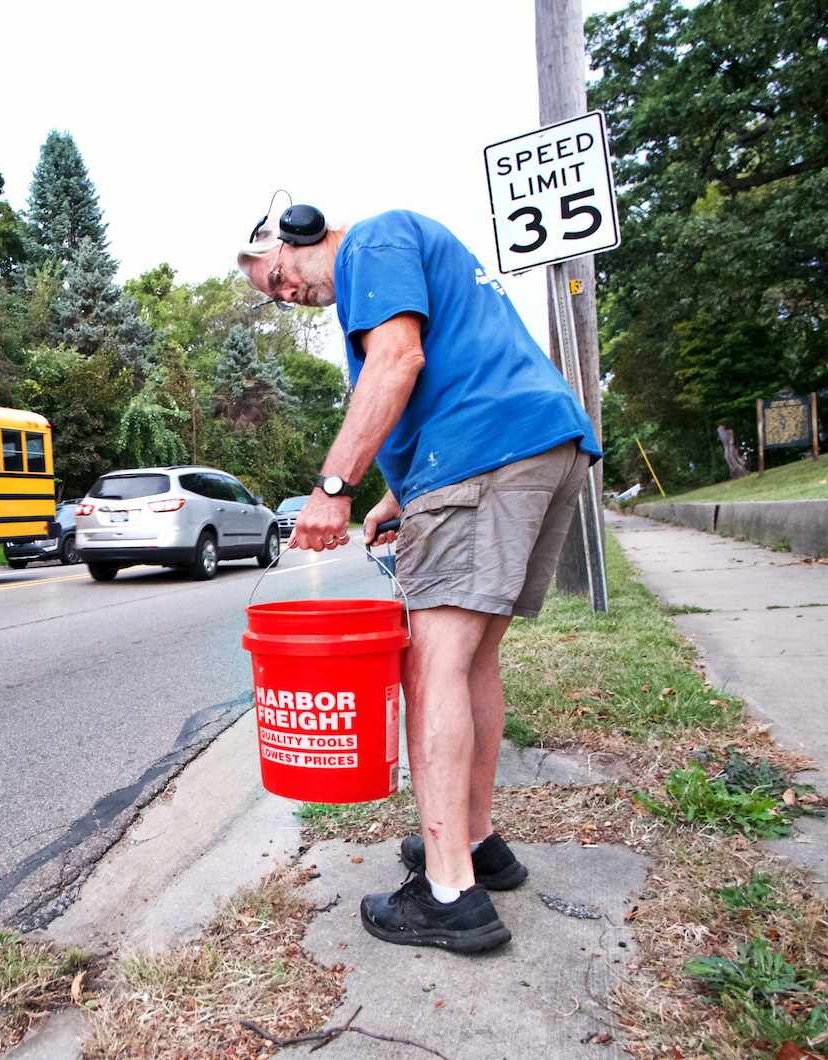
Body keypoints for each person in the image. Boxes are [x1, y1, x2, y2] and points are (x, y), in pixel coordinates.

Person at [238, 202, 601, 954]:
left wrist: (333, 488)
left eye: (278, 275)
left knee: (429, 665)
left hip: (484, 458)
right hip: (539, 445)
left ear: (301, 234)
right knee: (472, 660)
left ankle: (448, 894)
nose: (285, 294)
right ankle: (476, 843)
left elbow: (398, 362)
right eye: (272, 295)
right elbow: (453, 374)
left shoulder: (373, 242)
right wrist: (394, 498)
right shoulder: (407, 253)